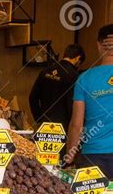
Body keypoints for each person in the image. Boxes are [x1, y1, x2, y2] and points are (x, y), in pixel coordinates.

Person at [66, 25, 113, 179]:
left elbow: (76, 125)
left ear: (99, 45)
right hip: (95, 155)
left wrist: (69, 157)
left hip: (94, 156)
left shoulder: (85, 78)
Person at [29, 44, 85, 130]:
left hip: (44, 125)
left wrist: (39, 118)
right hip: (63, 127)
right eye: (80, 63)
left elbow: (32, 97)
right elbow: (72, 105)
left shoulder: (45, 71)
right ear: (78, 58)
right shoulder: (74, 76)